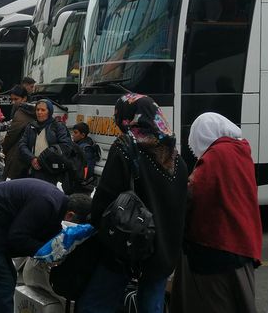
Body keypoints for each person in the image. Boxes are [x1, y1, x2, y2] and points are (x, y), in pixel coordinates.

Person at [77, 93, 188, 313]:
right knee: (151, 306)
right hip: (164, 251)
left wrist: (94, 222)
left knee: (95, 304)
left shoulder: (126, 149)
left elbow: (104, 200)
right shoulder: (177, 158)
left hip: (127, 249)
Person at [169, 112, 262, 313]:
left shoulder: (217, 156)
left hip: (216, 248)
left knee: (215, 303)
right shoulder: (239, 151)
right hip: (241, 241)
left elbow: (197, 193)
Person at [0, 178, 92, 313]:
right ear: (70, 215)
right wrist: (45, 251)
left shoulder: (56, 202)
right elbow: (18, 237)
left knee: (7, 279)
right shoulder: (47, 203)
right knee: (2, 284)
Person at [19, 99, 71, 184]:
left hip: (51, 171)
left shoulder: (58, 126)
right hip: (33, 169)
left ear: (49, 112)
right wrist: (32, 159)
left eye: (43, 110)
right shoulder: (31, 126)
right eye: (37, 109)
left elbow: (65, 146)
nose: (39, 112)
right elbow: (22, 144)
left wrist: (43, 159)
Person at [2, 85, 35, 179]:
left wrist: (4, 147)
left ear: (24, 98)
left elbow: (12, 134)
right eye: (11, 99)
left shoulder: (21, 113)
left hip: (17, 153)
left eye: (16, 99)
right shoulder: (31, 110)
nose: (13, 102)